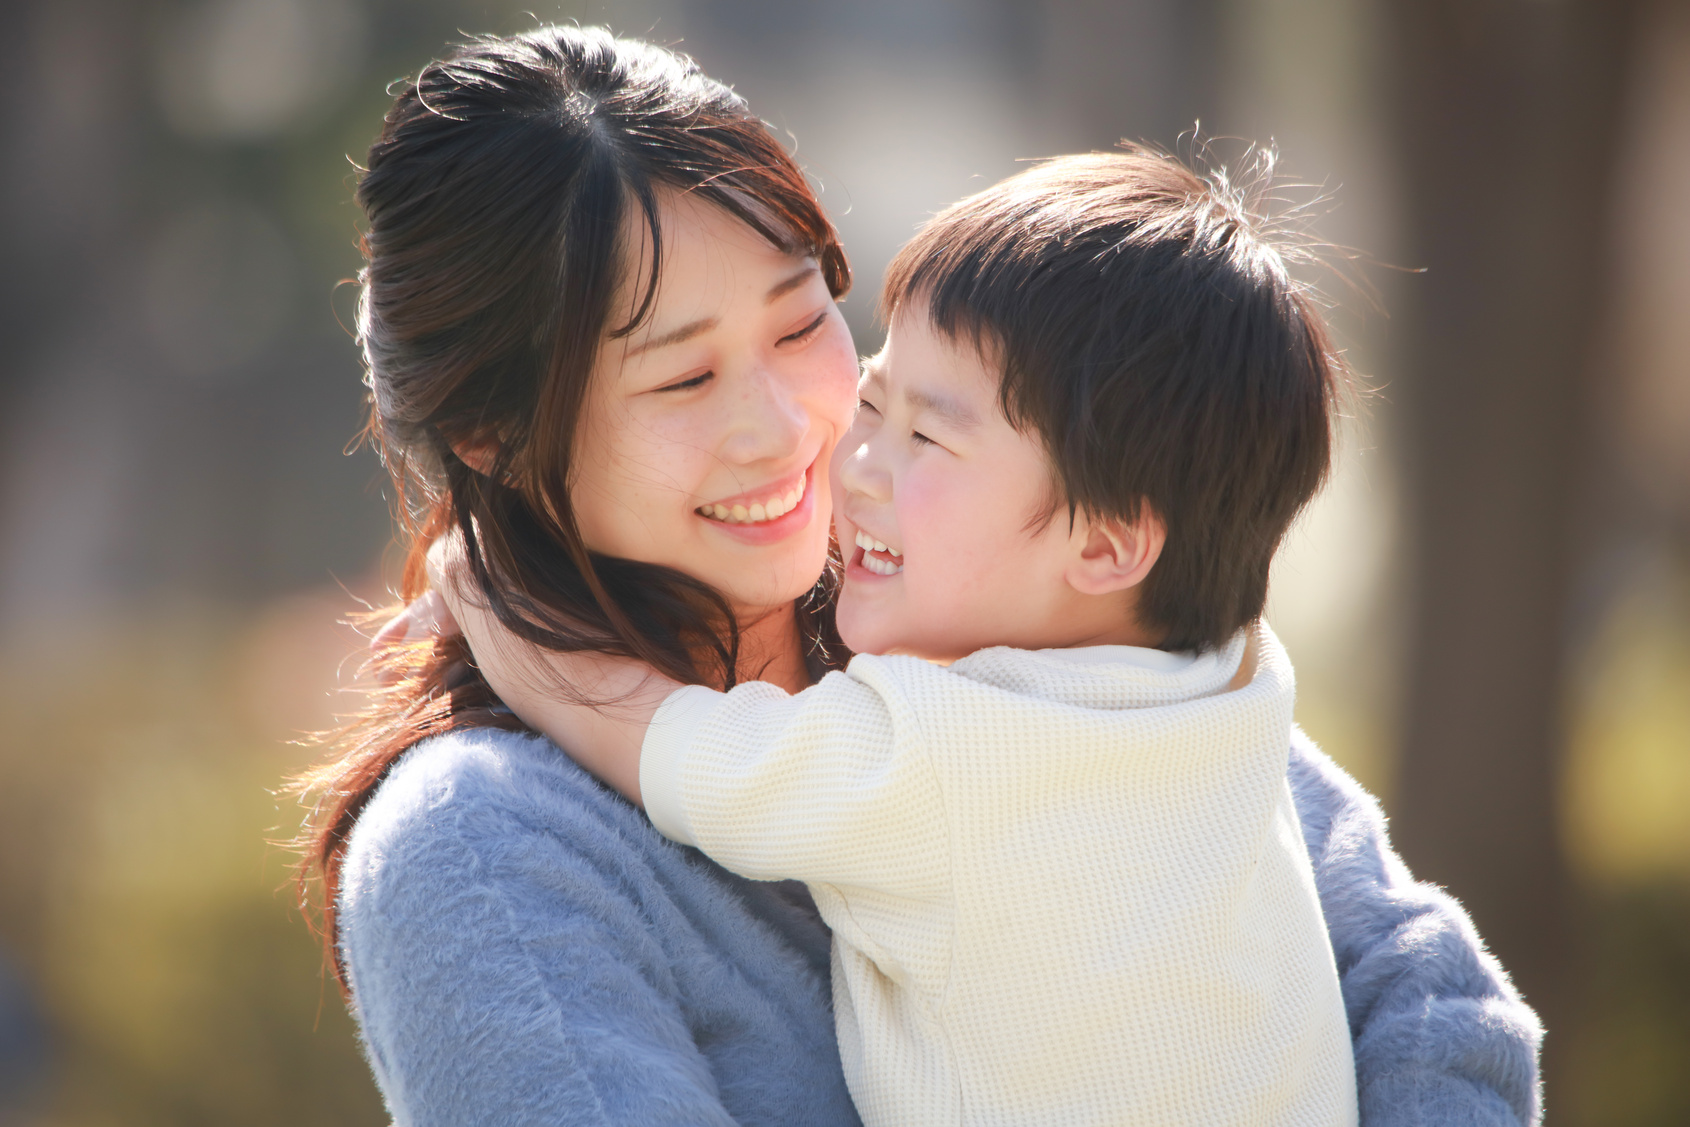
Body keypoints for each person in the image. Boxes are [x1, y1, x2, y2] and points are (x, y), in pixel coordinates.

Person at [291, 24, 1543, 1127]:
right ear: (495, 437)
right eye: (682, 378)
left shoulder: (1043, 642)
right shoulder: (488, 851)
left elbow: (1434, 993)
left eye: (799, 322)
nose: (790, 425)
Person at [448, 149, 1359, 1127]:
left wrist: (489, 605)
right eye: (875, 402)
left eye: (927, 439)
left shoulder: (943, 756)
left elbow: (685, 752)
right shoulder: (1231, 688)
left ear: (1106, 541)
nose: (857, 463)